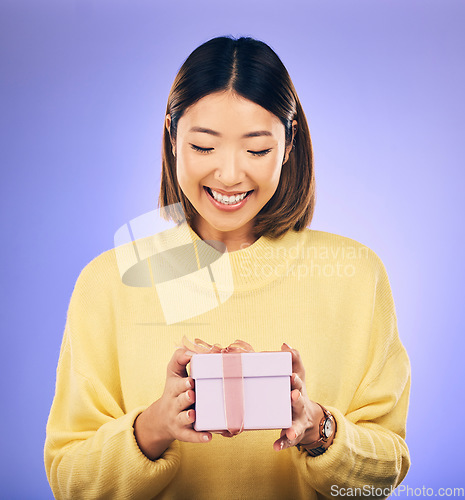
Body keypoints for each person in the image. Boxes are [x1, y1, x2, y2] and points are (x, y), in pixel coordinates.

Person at [44, 35, 411, 499]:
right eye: (204, 147)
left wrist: (318, 427)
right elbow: (69, 480)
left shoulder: (356, 275)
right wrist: (153, 427)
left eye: (257, 150)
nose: (230, 175)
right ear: (172, 137)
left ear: (289, 142)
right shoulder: (109, 282)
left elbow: (386, 470)